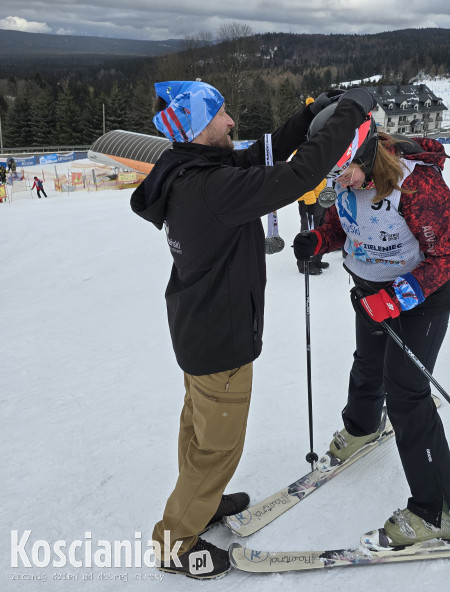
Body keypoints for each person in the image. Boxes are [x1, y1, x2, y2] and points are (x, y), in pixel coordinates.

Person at [130, 79, 377, 579]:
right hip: (219, 339)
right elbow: (298, 175)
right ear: (200, 128)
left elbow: (260, 154)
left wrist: (308, 120)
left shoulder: (187, 166)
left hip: (197, 327)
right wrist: (351, 112)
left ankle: (204, 502)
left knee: (198, 430)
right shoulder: (211, 187)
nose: (231, 122)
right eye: (220, 115)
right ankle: (176, 542)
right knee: (216, 447)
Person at [293, 120, 450, 547]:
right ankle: (363, 427)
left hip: (421, 298)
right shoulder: (347, 180)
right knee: (368, 363)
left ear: (368, 154)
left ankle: (441, 510)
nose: (338, 181)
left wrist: (398, 297)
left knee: (407, 392)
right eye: (331, 172)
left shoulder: (416, 184)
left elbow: (449, 253)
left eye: (344, 170)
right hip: (370, 289)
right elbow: (348, 225)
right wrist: (320, 238)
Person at [296, 179, 328, 275]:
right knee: (308, 232)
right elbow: (304, 180)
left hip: (321, 197)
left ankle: (316, 260)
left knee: (320, 230)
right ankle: (305, 264)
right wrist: (310, 201)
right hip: (309, 200)